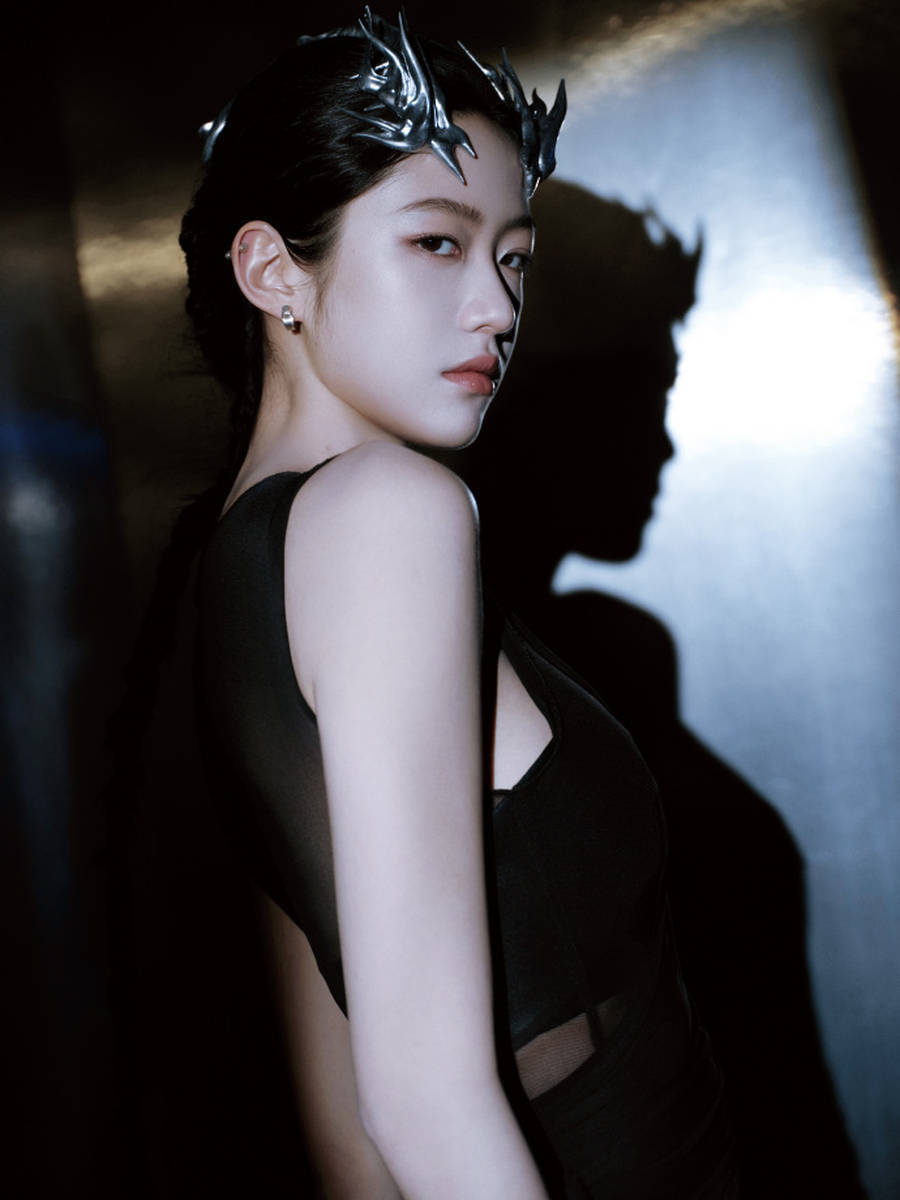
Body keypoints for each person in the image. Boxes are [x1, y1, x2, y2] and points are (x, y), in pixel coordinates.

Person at [179, 12, 737, 1198]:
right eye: (437, 243)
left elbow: (351, 1135)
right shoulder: (392, 513)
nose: (495, 306)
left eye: (513, 257)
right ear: (272, 271)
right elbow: (419, 1102)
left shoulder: (242, 567)